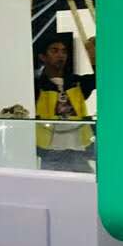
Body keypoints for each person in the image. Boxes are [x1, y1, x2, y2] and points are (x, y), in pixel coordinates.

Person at [34, 32, 95, 173]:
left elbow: (104, 76)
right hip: (50, 153)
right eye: (54, 51)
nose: (61, 55)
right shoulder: (36, 86)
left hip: (80, 150)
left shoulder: (77, 83)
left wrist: (93, 55)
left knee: (87, 185)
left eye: (64, 51)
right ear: (43, 57)